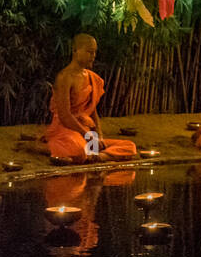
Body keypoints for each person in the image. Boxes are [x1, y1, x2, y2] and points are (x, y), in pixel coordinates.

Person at [44, 34, 138, 163]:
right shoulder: (64, 77)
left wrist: (98, 134)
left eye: (94, 52)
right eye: (89, 52)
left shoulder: (92, 77)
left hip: (86, 132)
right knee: (78, 149)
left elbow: (91, 110)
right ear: (75, 51)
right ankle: (51, 149)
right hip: (67, 131)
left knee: (129, 146)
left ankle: (98, 157)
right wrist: (86, 135)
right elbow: (65, 116)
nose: (93, 56)